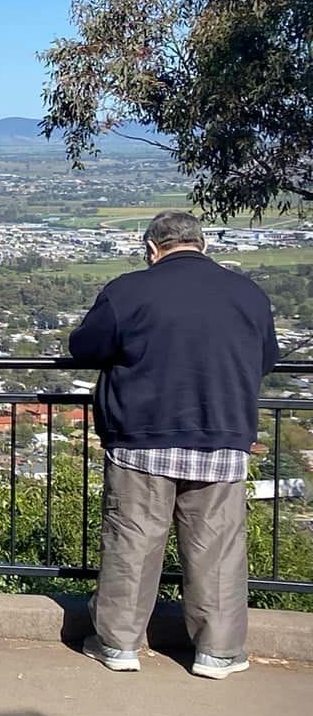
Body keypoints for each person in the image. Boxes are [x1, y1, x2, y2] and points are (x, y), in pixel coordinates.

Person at [69, 211, 279, 679]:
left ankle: (118, 643)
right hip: (223, 434)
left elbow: (84, 347)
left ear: (152, 248)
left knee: (133, 541)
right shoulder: (247, 293)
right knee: (217, 548)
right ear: (202, 244)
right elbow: (266, 358)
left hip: (141, 437)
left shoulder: (129, 290)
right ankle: (218, 652)